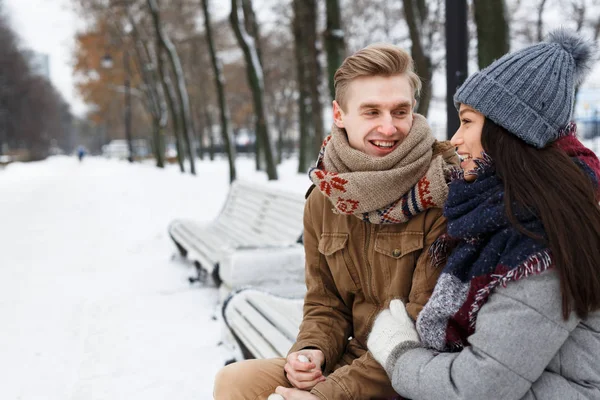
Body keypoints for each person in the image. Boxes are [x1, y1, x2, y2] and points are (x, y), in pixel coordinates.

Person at [213, 44, 458, 399]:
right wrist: (311, 350)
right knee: (234, 382)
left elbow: (422, 330)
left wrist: (328, 394)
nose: (388, 127)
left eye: (400, 111)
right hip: (352, 361)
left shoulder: (441, 192)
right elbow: (324, 302)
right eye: (371, 111)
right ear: (340, 115)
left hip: (412, 374)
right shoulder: (326, 197)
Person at [367, 28, 600, 399]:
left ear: (508, 132)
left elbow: (477, 387)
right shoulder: (508, 210)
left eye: (468, 121)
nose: (456, 139)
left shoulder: (540, 237)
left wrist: (399, 354)